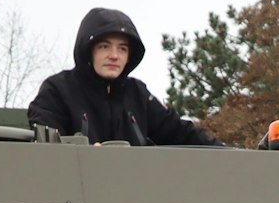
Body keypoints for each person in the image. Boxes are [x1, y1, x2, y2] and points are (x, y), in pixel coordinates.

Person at [27, 9, 221, 147]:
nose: (114, 55)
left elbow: (180, 133)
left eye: (122, 48)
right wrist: (80, 153)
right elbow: (47, 140)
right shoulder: (59, 90)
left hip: (135, 192)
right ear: (88, 51)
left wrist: (231, 155)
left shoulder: (137, 94)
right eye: (104, 46)